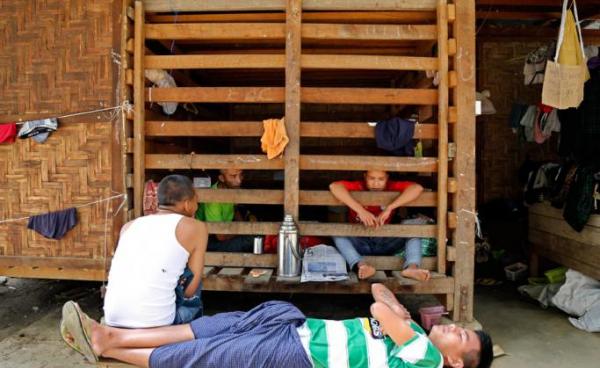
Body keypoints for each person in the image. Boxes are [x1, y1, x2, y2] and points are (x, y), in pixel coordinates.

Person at [60, 283, 493, 368]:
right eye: (461, 327)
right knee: (212, 328)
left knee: (207, 356)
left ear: (456, 363)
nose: (455, 328)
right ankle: (113, 333)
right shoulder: (414, 334)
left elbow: (379, 309)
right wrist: (395, 307)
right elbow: (379, 289)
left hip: (298, 355)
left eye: (462, 338)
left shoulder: (426, 359)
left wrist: (393, 310)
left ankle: (108, 350)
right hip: (297, 326)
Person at [103, 175, 208, 328]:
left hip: (113, 317)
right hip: (157, 322)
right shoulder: (196, 227)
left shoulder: (129, 226)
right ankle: (186, 342)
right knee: (193, 283)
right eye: (196, 201)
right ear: (187, 204)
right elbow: (190, 291)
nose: (197, 206)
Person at [329, 170, 431, 281]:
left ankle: (412, 268)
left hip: (385, 242)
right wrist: (360, 210)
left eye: (381, 179)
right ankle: (361, 266)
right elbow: (334, 186)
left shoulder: (391, 186)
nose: (376, 183)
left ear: (387, 178)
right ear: (365, 177)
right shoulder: (358, 186)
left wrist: (390, 208)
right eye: (371, 178)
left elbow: (417, 188)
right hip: (360, 242)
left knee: (412, 229)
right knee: (336, 231)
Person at [197, 168, 254, 252]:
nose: (239, 180)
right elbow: (221, 236)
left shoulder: (230, 190)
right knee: (249, 241)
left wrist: (245, 226)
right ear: (222, 178)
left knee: (254, 238)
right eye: (233, 176)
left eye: (241, 175)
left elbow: (235, 210)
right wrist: (243, 230)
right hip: (207, 240)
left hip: (225, 232)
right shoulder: (213, 198)